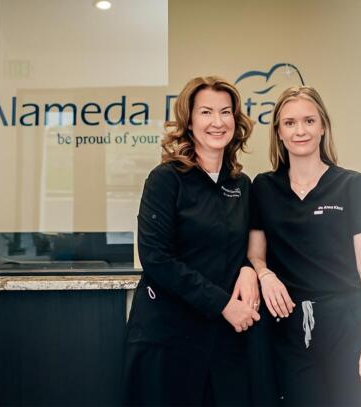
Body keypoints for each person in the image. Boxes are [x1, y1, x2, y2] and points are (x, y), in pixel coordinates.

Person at [123, 76, 261, 406]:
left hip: (222, 342)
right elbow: (156, 258)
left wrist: (249, 269)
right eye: (206, 112)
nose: (218, 122)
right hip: (168, 337)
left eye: (225, 112)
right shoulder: (166, 179)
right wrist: (225, 305)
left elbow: (243, 246)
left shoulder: (241, 185)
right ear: (189, 121)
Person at [248, 86, 361, 406]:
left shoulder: (351, 184)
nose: (300, 130)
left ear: (323, 127)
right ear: (278, 132)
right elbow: (255, 254)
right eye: (290, 122)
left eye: (309, 121)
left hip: (346, 325)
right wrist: (265, 275)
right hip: (289, 329)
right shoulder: (264, 188)